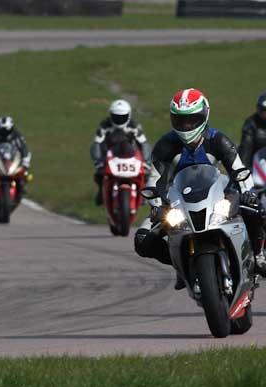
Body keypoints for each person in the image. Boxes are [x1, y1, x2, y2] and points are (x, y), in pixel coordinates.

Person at [133, 88, 266, 289]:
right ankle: (182, 265)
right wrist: (157, 205)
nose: (186, 125)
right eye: (181, 120)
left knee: (256, 210)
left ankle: (258, 255)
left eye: (192, 119)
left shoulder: (217, 139)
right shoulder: (166, 145)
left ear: (204, 115)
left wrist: (247, 193)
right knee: (142, 241)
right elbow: (154, 180)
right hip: (177, 202)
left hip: (217, 194)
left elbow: (239, 170)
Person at [90, 99, 151, 205]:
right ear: (111, 115)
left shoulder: (134, 126)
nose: (119, 119)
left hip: (130, 156)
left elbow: (144, 144)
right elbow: (96, 144)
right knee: (99, 175)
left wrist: (145, 161)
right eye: (116, 116)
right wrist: (98, 161)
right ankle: (101, 191)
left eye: (122, 116)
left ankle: (142, 193)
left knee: (145, 175)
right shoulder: (104, 126)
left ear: (129, 115)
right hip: (109, 156)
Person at [239, 91, 266, 171]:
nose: (264, 113)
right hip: (257, 166)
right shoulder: (251, 124)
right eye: (263, 109)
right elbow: (246, 149)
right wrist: (244, 170)